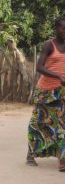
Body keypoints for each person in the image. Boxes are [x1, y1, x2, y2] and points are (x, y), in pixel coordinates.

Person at [26, 16, 65, 171]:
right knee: (38, 123)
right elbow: (39, 67)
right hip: (45, 91)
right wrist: (58, 76)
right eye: (63, 28)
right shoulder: (49, 45)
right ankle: (30, 153)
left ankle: (63, 160)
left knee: (62, 124)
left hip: (62, 91)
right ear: (56, 28)